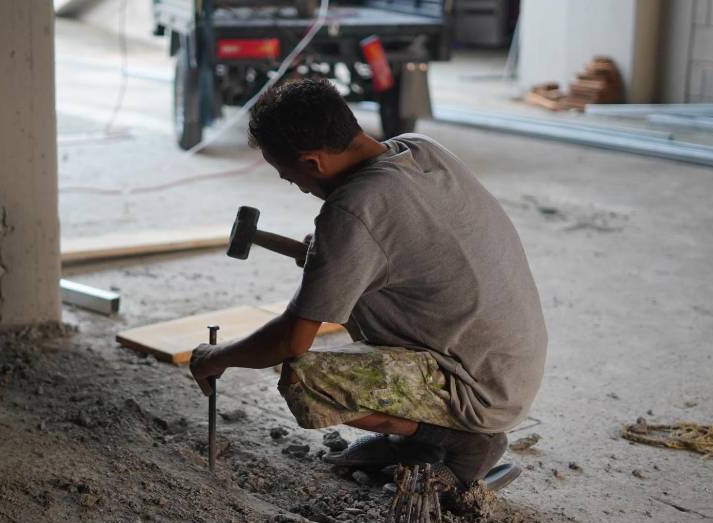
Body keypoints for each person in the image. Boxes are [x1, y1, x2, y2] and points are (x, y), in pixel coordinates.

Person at [189, 78, 547, 492]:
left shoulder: (354, 210)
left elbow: (291, 340)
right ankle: (411, 439)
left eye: (289, 177)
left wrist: (218, 357)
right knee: (351, 295)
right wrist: (332, 258)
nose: (299, 187)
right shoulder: (418, 148)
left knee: (304, 380)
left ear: (313, 163)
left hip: (479, 389)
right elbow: (403, 244)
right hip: (508, 364)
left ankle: (461, 442)